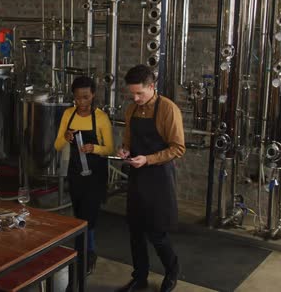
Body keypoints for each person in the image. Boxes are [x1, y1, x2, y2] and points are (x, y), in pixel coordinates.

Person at [116, 65, 185, 292]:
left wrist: (148, 159)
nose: (135, 98)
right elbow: (127, 139)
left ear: (152, 87)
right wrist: (124, 150)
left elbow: (178, 148)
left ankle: (172, 272)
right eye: (132, 94)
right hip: (137, 176)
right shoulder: (132, 110)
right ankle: (140, 276)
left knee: (157, 232)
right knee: (135, 230)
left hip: (158, 177)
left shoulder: (168, 109)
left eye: (140, 94)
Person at [54, 76, 114, 274]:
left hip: (95, 175)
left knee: (88, 216)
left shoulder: (102, 118)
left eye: (86, 98)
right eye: (78, 98)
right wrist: (65, 137)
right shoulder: (68, 115)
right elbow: (57, 145)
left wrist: (94, 147)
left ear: (93, 95)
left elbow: (110, 149)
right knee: (79, 216)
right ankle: (88, 251)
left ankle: (82, 255)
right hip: (76, 173)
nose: (82, 103)